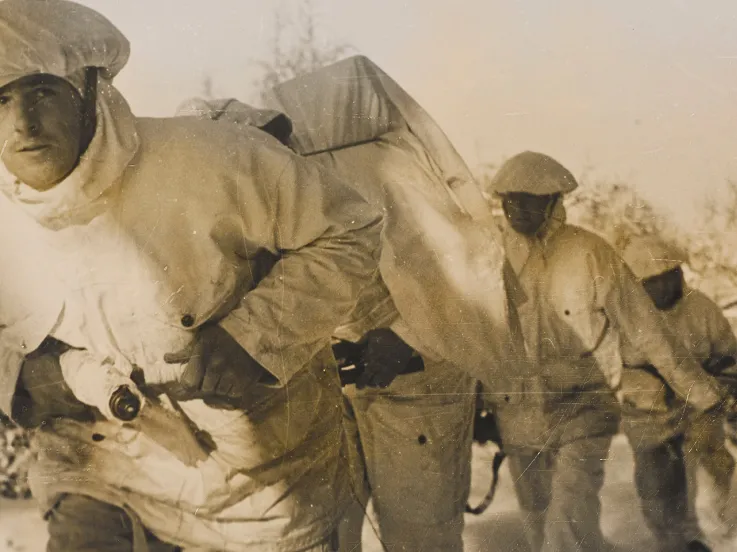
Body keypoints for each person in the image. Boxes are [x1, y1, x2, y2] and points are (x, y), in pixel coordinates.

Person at [0, 1, 384, 551]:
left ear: (87, 89)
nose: (22, 125)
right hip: (99, 466)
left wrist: (251, 337)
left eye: (41, 91)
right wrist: (23, 376)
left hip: (255, 497)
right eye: (0, 99)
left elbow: (350, 230)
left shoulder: (209, 160)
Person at [176, 86, 480, 552]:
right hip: (333, 392)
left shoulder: (368, 181)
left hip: (419, 385)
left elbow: (465, 278)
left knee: (418, 534)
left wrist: (406, 339)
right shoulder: (231, 218)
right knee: (328, 531)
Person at [484, 151, 734, 552]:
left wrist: (703, 393)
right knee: (538, 516)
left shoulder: (590, 254)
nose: (518, 209)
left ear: (553, 201)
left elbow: (650, 332)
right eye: (509, 199)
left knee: (570, 510)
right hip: (519, 411)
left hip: (584, 405)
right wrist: (480, 402)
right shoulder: (489, 255)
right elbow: (475, 334)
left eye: (530, 199)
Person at [620, 234, 737, 552]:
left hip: (699, 408)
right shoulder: (626, 320)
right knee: (656, 481)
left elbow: (728, 356)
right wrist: (645, 386)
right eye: (651, 281)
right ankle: (671, 541)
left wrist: (717, 387)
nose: (660, 286)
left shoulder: (701, 309)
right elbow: (611, 368)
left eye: (666, 276)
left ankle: (716, 535)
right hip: (648, 413)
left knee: (711, 464)